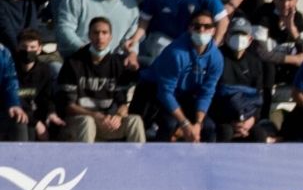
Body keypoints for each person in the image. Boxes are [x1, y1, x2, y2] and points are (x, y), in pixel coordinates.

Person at [55, 16, 142, 143]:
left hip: (105, 122)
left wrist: (118, 116)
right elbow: (68, 106)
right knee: (88, 122)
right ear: (89, 36)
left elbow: (122, 103)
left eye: (104, 33)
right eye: (95, 33)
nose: (100, 37)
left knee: (134, 121)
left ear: (110, 37)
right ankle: (87, 162)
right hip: (76, 122)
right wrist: (94, 115)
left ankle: (139, 161)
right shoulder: (73, 63)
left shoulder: (117, 63)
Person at [143, 11, 224, 143]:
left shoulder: (216, 58)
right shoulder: (176, 53)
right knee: (169, 124)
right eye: (197, 26)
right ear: (189, 28)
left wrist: (198, 123)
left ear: (214, 30)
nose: (202, 30)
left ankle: (207, 162)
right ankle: (157, 159)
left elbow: (207, 92)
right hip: (158, 94)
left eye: (207, 26)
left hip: (187, 96)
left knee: (208, 127)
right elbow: (165, 92)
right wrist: (185, 124)